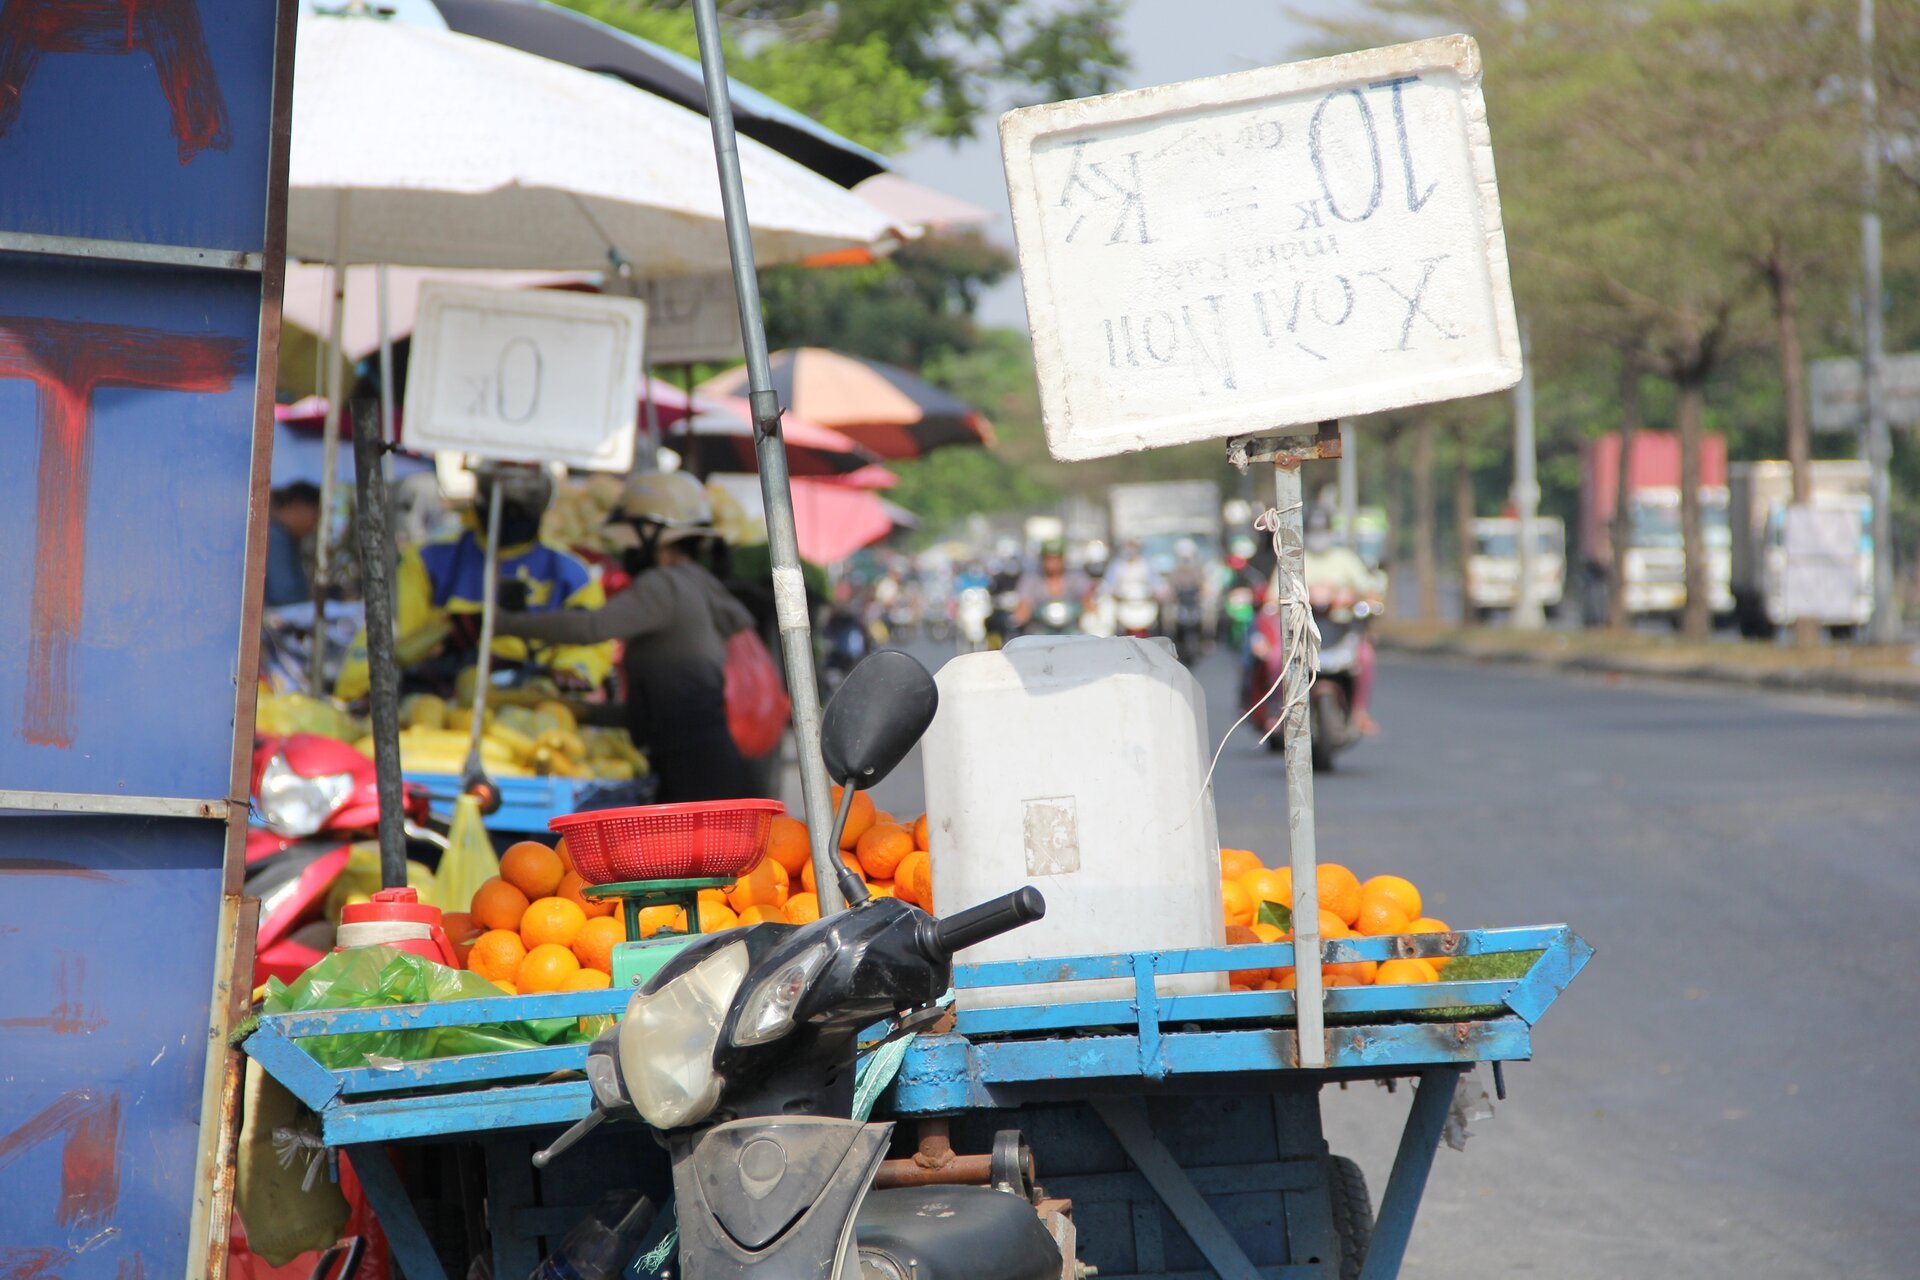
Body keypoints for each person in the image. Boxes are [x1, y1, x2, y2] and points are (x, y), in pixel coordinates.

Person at [494, 472, 761, 802]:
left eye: (631, 538)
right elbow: (658, 708)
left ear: (654, 532)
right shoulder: (697, 584)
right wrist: (576, 711)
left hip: (695, 775)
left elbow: (591, 628)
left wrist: (504, 623)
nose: (627, 550)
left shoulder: (665, 586)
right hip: (706, 765)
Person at [334, 468, 612, 700]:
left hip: (531, 698)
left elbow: (588, 639)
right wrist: (359, 689)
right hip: (442, 697)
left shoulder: (571, 572)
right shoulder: (431, 559)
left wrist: (574, 670)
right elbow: (388, 632)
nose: (509, 520)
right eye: (502, 509)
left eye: (520, 512)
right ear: (479, 504)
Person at [1301, 506, 1384, 734]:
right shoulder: (1296, 560)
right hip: (1303, 634)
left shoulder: (1345, 560)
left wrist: (1348, 597)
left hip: (1342, 631)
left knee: (1365, 656)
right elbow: (1272, 597)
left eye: (1322, 530)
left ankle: (1359, 711)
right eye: (1313, 530)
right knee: (1275, 657)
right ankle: (1279, 712)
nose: (1318, 535)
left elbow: (1371, 592)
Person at [264, 482, 320, 608]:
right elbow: (285, 593)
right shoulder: (275, 537)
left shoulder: (283, 536)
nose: (314, 525)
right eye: (315, 515)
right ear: (299, 506)